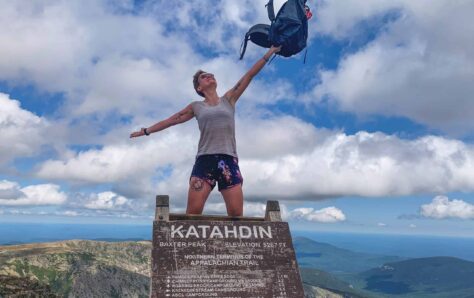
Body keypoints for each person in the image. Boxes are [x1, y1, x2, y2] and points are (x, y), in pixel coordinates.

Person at [130, 45, 281, 216]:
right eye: (204, 76)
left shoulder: (229, 100)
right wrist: (146, 131)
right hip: (205, 161)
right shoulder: (196, 106)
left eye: (211, 75)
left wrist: (270, 51)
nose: (209, 76)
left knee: (236, 218)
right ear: (198, 88)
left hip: (229, 160)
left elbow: (249, 75)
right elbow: (171, 121)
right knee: (192, 215)